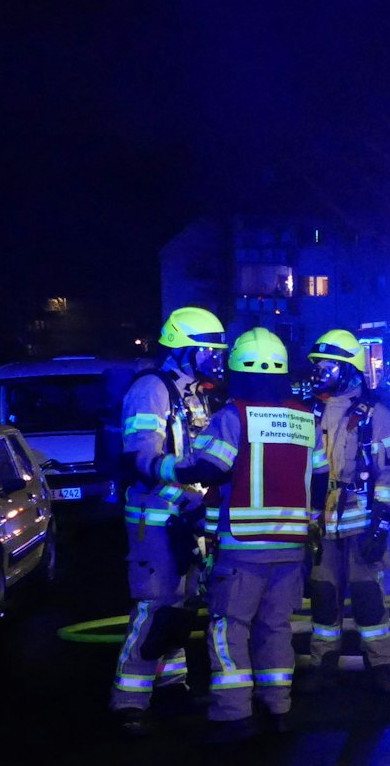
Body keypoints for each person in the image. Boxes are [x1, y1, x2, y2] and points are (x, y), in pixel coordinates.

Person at [161, 328, 327, 742]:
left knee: (229, 628)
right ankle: (278, 707)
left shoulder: (234, 416)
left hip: (243, 547)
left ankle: (233, 714)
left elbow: (211, 470)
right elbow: (321, 478)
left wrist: (167, 467)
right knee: (276, 628)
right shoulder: (306, 418)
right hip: (291, 547)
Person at [111, 306, 225, 736]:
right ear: (184, 350)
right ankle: (130, 701)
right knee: (155, 607)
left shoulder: (190, 392)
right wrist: (187, 495)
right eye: (208, 351)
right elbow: (141, 457)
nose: (215, 360)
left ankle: (172, 684)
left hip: (184, 518)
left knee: (181, 606)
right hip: (156, 519)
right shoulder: (151, 391)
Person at [303, 329, 390, 694]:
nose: (320, 373)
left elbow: (389, 473)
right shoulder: (309, 411)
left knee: (367, 597)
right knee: (324, 598)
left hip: (360, 522)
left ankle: (380, 665)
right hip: (321, 526)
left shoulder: (375, 414)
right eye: (318, 366)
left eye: (329, 366)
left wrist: (380, 526)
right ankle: (323, 663)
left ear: (349, 370)